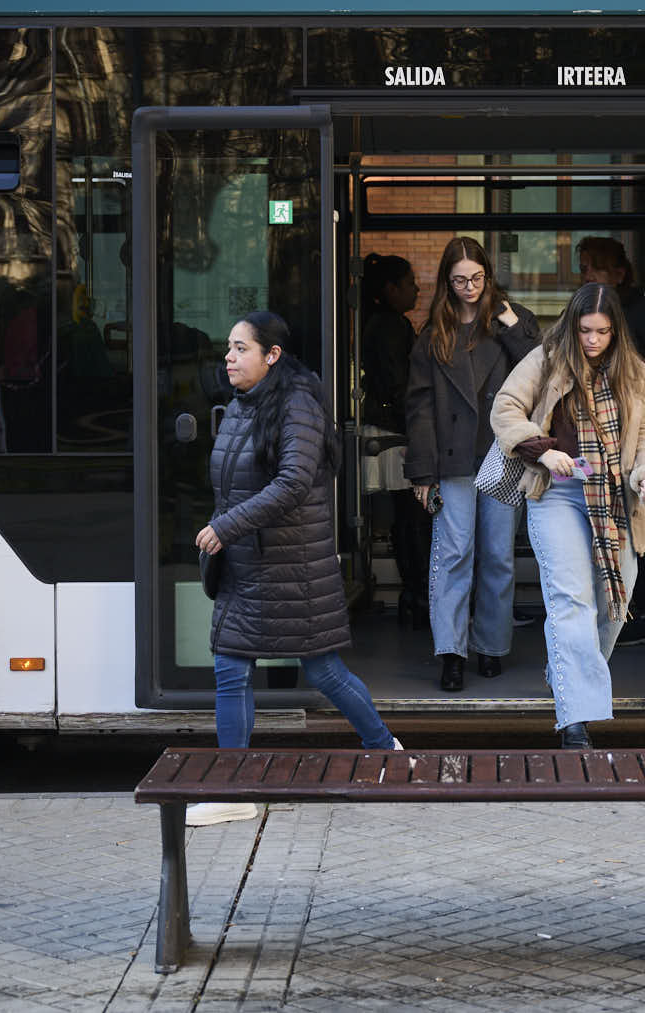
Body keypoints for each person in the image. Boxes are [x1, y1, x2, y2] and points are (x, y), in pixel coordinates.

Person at [191, 310, 403, 827]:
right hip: (250, 562)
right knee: (231, 667)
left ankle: (387, 752)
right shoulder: (245, 404)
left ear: (272, 355)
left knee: (323, 669)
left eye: (241, 348)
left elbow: (291, 484)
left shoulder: (297, 405)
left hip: (289, 564)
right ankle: (235, 785)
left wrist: (226, 527)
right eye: (230, 347)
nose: (230, 357)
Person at [491, 282, 645, 748]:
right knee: (571, 602)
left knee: (615, 604)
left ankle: (563, 670)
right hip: (558, 493)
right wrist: (543, 451)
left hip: (616, 498)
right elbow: (506, 409)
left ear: (616, 332)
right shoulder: (546, 359)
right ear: (572, 324)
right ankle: (575, 723)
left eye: (602, 332)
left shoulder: (636, 375)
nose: (592, 340)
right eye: (585, 330)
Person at [405, 237, 540, 691]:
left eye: (477, 278)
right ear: (447, 281)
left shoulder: (510, 322)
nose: (469, 287)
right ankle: (451, 651)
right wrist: (422, 474)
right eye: (460, 280)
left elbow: (541, 369)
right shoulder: (432, 336)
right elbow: (419, 407)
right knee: (453, 554)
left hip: (501, 456)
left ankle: (491, 646)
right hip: (452, 460)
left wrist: (506, 320)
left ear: (488, 276)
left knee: (499, 556)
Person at [575, 236, 645, 647]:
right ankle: (633, 609)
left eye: (592, 269)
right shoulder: (586, 314)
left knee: (631, 516)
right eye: (582, 269)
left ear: (618, 274)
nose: (585, 277)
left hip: (643, 429)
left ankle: (644, 610)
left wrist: (629, 382)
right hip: (604, 435)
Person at [359, 253, 430, 627]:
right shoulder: (390, 326)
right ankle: (417, 594)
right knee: (412, 518)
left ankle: (415, 593)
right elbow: (399, 385)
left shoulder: (383, 323)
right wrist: (420, 427)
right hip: (394, 432)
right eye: (408, 283)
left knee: (408, 517)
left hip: (389, 427)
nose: (416, 289)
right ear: (390, 289)